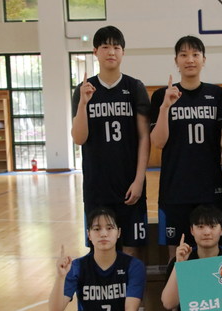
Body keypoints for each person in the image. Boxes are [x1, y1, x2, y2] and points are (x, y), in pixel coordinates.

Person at [43, 208, 152, 311]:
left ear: (118, 233)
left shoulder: (133, 265)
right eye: (96, 229)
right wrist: (60, 277)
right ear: (89, 234)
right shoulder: (78, 266)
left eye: (109, 228)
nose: (103, 234)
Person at [71, 25, 150, 258]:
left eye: (116, 47)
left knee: (131, 247)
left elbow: (144, 137)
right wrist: (83, 103)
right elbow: (79, 138)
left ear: (123, 52)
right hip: (96, 184)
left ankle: (131, 286)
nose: (111, 52)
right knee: (102, 247)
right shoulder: (83, 90)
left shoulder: (134, 87)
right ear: (95, 52)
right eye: (105, 47)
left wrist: (139, 180)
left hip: (129, 182)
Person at [150, 35, 222, 260]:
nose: (190, 59)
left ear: (204, 60)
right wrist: (165, 107)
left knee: (211, 251)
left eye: (195, 54)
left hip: (209, 187)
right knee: (177, 252)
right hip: (175, 188)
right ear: (176, 60)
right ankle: (176, 286)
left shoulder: (217, 95)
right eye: (184, 55)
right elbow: (158, 142)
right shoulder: (162, 95)